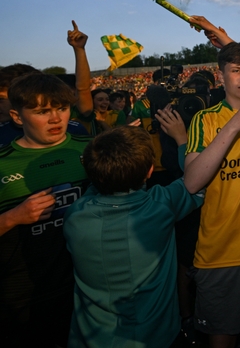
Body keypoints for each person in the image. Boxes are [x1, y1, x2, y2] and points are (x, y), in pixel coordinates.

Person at [63, 125, 204, 348]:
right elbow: (198, 178)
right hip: (156, 338)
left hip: (91, 339)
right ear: (150, 170)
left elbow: (96, 186)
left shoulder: (75, 215)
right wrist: (182, 141)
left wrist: (109, 150)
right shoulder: (160, 206)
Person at [0, 72, 93, 347]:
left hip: (85, 286)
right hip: (22, 294)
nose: (56, 119)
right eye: (43, 111)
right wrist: (12, 217)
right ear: (17, 117)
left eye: (62, 109)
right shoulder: (3, 165)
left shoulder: (91, 150)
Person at [183, 42, 240, 348]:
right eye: (236, 71)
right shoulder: (206, 120)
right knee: (222, 339)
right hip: (221, 254)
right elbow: (191, 182)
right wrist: (235, 125)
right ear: (221, 76)